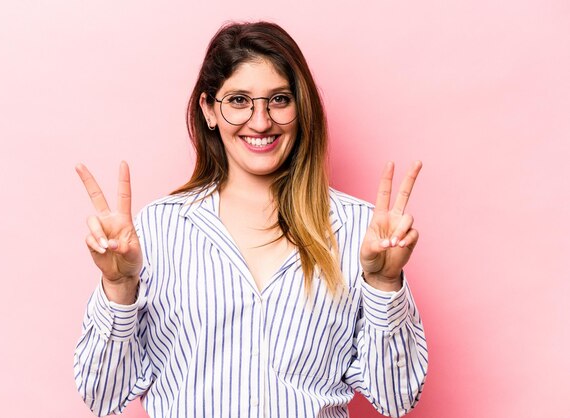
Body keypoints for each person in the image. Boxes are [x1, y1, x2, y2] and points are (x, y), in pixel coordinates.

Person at [74, 21, 428, 418]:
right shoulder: (157, 230)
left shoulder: (361, 232)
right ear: (209, 110)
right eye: (239, 100)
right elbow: (101, 396)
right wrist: (118, 286)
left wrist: (384, 284)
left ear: (301, 108)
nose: (260, 122)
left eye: (279, 99)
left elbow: (397, 399)